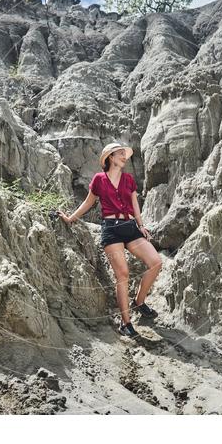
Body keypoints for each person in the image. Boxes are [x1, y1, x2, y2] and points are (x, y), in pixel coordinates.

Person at [57, 142, 163, 338]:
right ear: (110, 158)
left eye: (125, 154)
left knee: (156, 262)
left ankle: (139, 302)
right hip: (111, 230)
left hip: (130, 227)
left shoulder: (129, 179)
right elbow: (88, 202)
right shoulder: (99, 179)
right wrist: (71, 218)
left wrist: (141, 225)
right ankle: (126, 322)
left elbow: (134, 204)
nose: (124, 156)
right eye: (120, 154)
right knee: (122, 274)